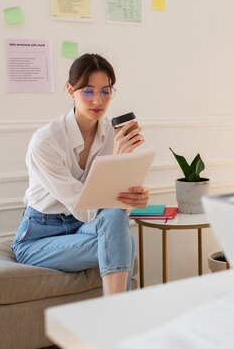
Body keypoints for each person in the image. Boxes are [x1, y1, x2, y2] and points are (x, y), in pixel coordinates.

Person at [12, 53, 148, 295]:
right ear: (69, 90)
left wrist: (132, 198)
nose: (98, 100)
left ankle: (117, 317)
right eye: (88, 91)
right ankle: (121, 319)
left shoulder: (110, 134)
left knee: (117, 223)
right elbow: (83, 204)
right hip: (39, 237)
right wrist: (117, 163)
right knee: (124, 242)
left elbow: (110, 208)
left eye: (106, 91)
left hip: (82, 227)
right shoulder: (45, 142)